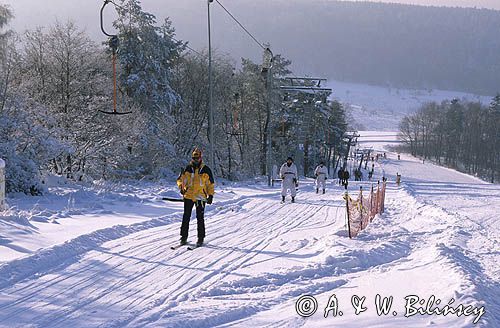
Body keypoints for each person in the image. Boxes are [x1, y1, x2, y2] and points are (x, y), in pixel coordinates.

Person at [177, 148, 215, 247]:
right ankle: (183, 237)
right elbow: (181, 180)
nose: (195, 160)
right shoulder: (188, 168)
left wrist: (210, 195)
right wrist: (181, 187)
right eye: (194, 158)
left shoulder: (206, 169)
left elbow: (210, 184)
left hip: (200, 197)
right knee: (186, 217)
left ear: (200, 158)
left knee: (200, 218)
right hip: (189, 196)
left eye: (197, 158)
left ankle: (200, 238)